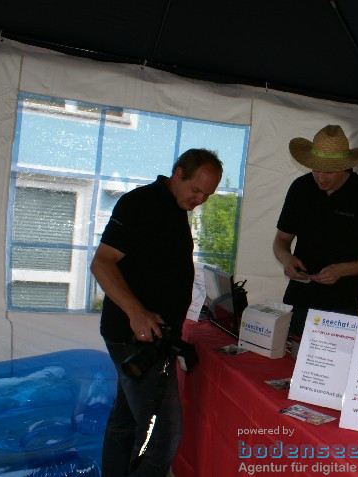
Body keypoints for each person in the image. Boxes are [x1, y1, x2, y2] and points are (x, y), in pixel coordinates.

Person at [91, 149, 222, 477]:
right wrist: (137, 313)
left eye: (207, 194)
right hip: (135, 336)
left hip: (153, 336)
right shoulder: (142, 203)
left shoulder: (175, 207)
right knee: (162, 434)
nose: (200, 199)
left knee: (126, 420)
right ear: (177, 174)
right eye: (196, 190)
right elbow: (102, 263)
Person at [273, 125, 358, 335]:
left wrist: (342, 270)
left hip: (342, 306)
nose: (320, 177)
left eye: (328, 171)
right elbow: (281, 239)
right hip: (298, 299)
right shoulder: (300, 188)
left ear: (345, 166)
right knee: (288, 358)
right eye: (315, 169)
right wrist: (286, 259)